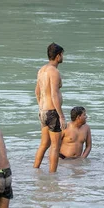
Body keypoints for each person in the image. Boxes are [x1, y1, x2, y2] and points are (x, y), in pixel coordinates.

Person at [34, 42, 67, 172]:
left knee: (44, 144)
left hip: (42, 111)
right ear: (58, 56)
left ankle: (35, 169)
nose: (63, 57)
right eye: (62, 55)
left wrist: (41, 107)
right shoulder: (54, 72)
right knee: (55, 146)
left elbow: (37, 92)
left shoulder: (41, 70)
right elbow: (54, 94)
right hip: (52, 112)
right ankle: (53, 176)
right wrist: (61, 116)